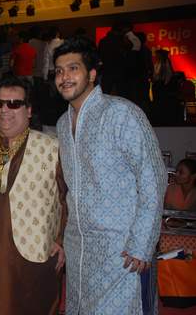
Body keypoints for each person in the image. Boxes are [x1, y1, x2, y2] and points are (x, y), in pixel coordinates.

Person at [53, 36, 167, 314]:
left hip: (122, 252)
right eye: (58, 71)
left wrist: (141, 244)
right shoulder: (61, 124)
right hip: (80, 250)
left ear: (92, 74)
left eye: (73, 68)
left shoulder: (122, 114)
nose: (64, 77)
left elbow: (153, 179)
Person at [0, 75, 65, 315]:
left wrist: (62, 240)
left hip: (35, 251)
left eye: (14, 104)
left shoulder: (52, 147)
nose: (5, 110)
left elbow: (68, 198)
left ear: (28, 110)